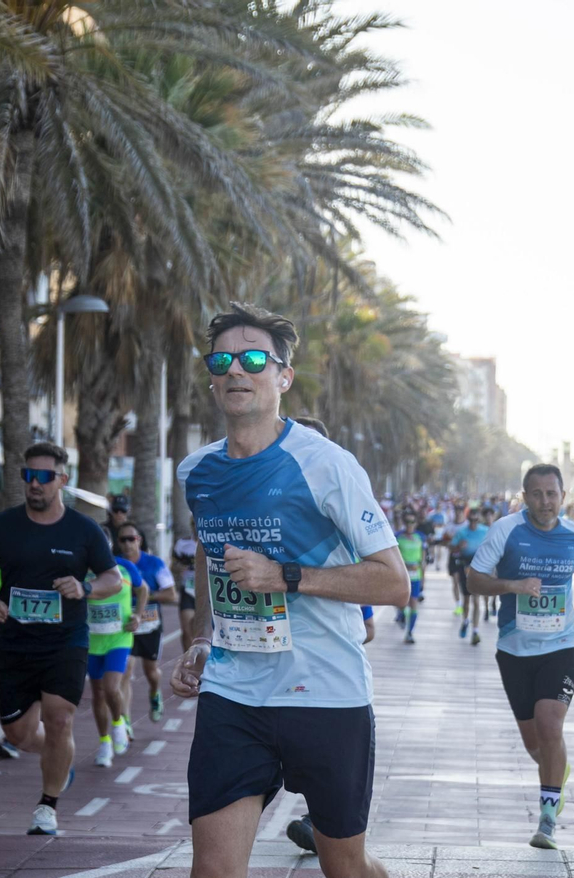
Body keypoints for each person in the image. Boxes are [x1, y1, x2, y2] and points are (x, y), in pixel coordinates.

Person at [170, 303, 407, 878]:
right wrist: (205, 635)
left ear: (283, 377)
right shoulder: (195, 472)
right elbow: (210, 552)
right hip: (234, 693)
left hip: (324, 693)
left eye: (254, 359)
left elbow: (394, 581)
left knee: (343, 866)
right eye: (222, 359)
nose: (236, 370)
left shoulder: (326, 465)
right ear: (210, 375)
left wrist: (285, 576)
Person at [0, 441, 124, 836]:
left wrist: (84, 588)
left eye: (43, 477)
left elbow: (112, 578)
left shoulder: (84, 530)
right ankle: (59, 758)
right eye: (28, 476)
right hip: (15, 643)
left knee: (60, 719)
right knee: (17, 734)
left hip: (65, 641)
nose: (34, 484)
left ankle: (47, 806)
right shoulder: (2, 526)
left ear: (62, 481)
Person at [465, 464, 574, 850]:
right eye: (536, 494)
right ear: (525, 497)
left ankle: (548, 818)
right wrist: (512, 585)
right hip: (514, 649)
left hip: (562, 646)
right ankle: (557, 769)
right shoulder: (506, 530)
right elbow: (474, 580)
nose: (545, 502)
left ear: (563, 496)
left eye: (551, 494)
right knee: (535, 742)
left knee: (550, 724)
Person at [86, 541, 140, 768]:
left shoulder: (125, 567)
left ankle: (118, 722)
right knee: (98, 694)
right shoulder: (81, 569)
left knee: (110, 686)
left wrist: (137, 615)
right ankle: (104, 742)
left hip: (119, 638)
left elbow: (143, 588)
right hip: (91, 640)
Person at [119, 521, 176, 722]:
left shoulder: (154, 563)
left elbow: (172, 595)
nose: (127, 544)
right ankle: (125, 723)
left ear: (139, 540)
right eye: (122, 540)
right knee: (126, 670)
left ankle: (155, 693)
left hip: (150, 624)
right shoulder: (115, 565)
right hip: (127, 626)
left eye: (131, 539)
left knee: (151, 671)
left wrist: (145, 597)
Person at [451, 508, 491, 645]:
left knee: (476, 600)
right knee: (467, 601)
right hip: (465, 567)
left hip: (479, 568)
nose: (473, 523)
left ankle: (475, 631)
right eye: (471, 520)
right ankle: (465, 621)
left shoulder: (485, 531)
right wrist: (458, 547)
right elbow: (451, 548)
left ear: (479, 520)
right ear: (468, 520)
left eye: (476, 520)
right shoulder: (462, 532)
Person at [394, 513, 427, 644]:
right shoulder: (398, 537)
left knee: (413, 603)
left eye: (412, 522)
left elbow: (423, 559)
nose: (409, 525)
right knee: (401, 602)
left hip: (415, 576)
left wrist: (423, 576)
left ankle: (410, 633)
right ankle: (401, 614)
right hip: (402, 575)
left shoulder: (420, 537)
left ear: (416, 524)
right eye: (407, 522)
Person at [173, 538, 199, 654]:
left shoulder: (212, 538)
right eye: (192, 522)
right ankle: (189, 660)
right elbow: (173, 566)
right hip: (188, 590)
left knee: (206, 629)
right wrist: (178, 568)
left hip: (206, 590)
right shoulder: (182, 544)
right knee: (187, 630)